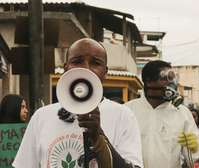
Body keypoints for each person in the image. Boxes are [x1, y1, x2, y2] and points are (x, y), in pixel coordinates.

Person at [13, 38, 143, 168]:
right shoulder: (41, 117)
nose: (86, 68)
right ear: (66, 68)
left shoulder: (123, 116)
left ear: (105, 73)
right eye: (77, 61)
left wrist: (98, 136)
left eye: (95, 63)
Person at [125, 60, 199, 168]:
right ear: (148, 81)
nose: (171, 83)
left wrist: (194, 148)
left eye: (172, 78)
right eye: (165, 78)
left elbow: (192, 159)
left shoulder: (182, 113)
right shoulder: (127, 111)